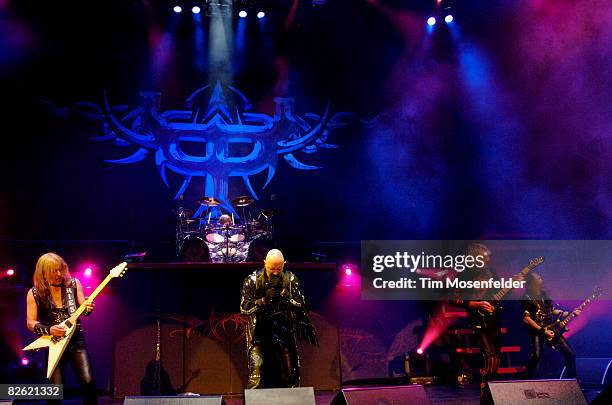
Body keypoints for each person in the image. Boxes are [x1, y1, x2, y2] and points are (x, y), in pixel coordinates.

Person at [450, 243, 522, 404]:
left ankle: (490, 391)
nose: (489, 259)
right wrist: (477, 304)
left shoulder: (491, 273)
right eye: (485, 257)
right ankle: (485, 393)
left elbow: (498, 294)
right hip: (478, 320)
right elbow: (453, 299)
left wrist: (512, 286)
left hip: (494, 318)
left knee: (495, 357)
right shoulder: (463, 275)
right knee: (489, 356)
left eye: (489, 257)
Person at [239, 249, 318, 388]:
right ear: (264, 263)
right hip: (259, 330)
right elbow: (244, 308)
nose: (275, 272)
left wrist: (285, 294)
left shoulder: (291, 280)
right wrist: (263, 300)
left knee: (291, 371)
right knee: (256, 373)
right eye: (271, 268)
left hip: (284, 328)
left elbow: (302, 305)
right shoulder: (252, 280)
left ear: (284, 264)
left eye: (278, 268)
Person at [26, 252, 97, 404]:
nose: (59, 274)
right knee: (55, 391)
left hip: (76, 342)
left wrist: (88, 308)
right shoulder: (34, 293)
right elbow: (30, 323)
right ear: (43, 273)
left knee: (88, 382)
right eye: (54, 271)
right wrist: (49, 329)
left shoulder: (73, 284)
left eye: (60, 269)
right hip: (54, 344)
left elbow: (84, 310)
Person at [522, 272, 578, 378]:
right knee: (536, 357)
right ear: (531, 283)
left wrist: (570, 313)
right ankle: (524, 381)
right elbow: (526, 319)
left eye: (540, 278)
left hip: (551, 329)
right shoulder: (526, 297)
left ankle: (573, 382)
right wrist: (543, 331)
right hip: (537, 331)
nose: (541, 280)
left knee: (570, 354)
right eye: (538, 278)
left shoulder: (544, 295)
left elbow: (552, 311)